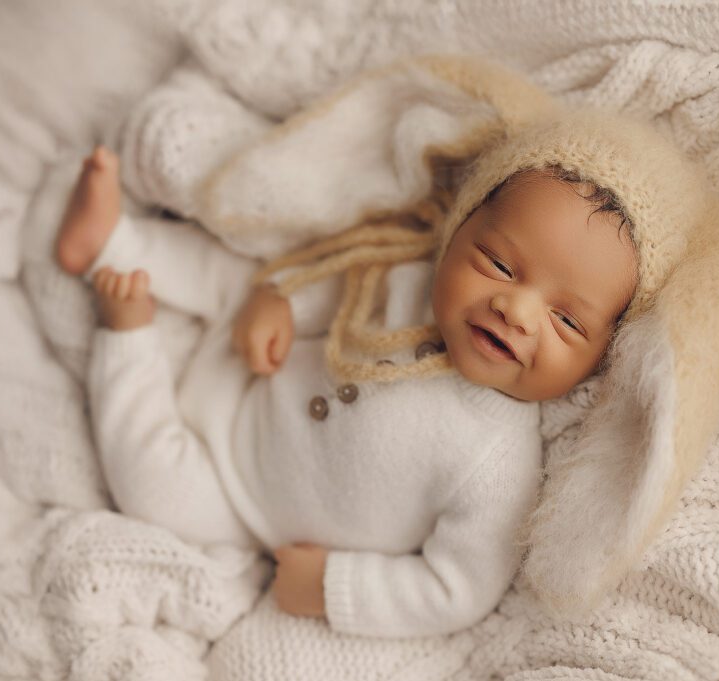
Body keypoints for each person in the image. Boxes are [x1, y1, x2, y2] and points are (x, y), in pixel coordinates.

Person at [53, 127, 638, 637]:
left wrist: (334, 587)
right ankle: (112, 243)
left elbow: (456, 589)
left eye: (566, 321)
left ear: (600, 361)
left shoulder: (499, 461)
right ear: (457, 232)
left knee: (156, 494)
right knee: (235, 275)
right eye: (500, 265)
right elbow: (334, 288)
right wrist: (277, 300)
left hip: (238, 499)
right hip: (247, 362)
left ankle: (126, 338)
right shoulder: (406, 287)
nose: (517, 310)